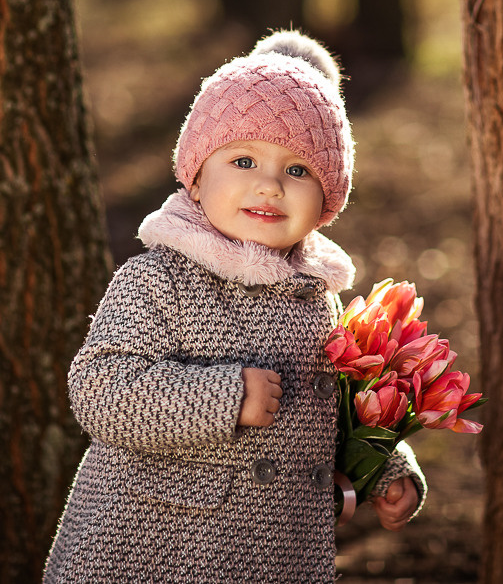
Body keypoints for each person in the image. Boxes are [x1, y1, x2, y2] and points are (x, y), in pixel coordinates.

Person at [43, 31, 425, 583]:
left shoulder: (318, 299)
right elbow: (100, 391)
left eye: (298, 170)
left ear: (327, 203)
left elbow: (336, 412)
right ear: (196, 179)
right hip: (153, 551)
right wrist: (226, 396)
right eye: (243, 160)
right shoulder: (158, 278)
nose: (269, 185)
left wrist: (384, 468)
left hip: (281, 557)